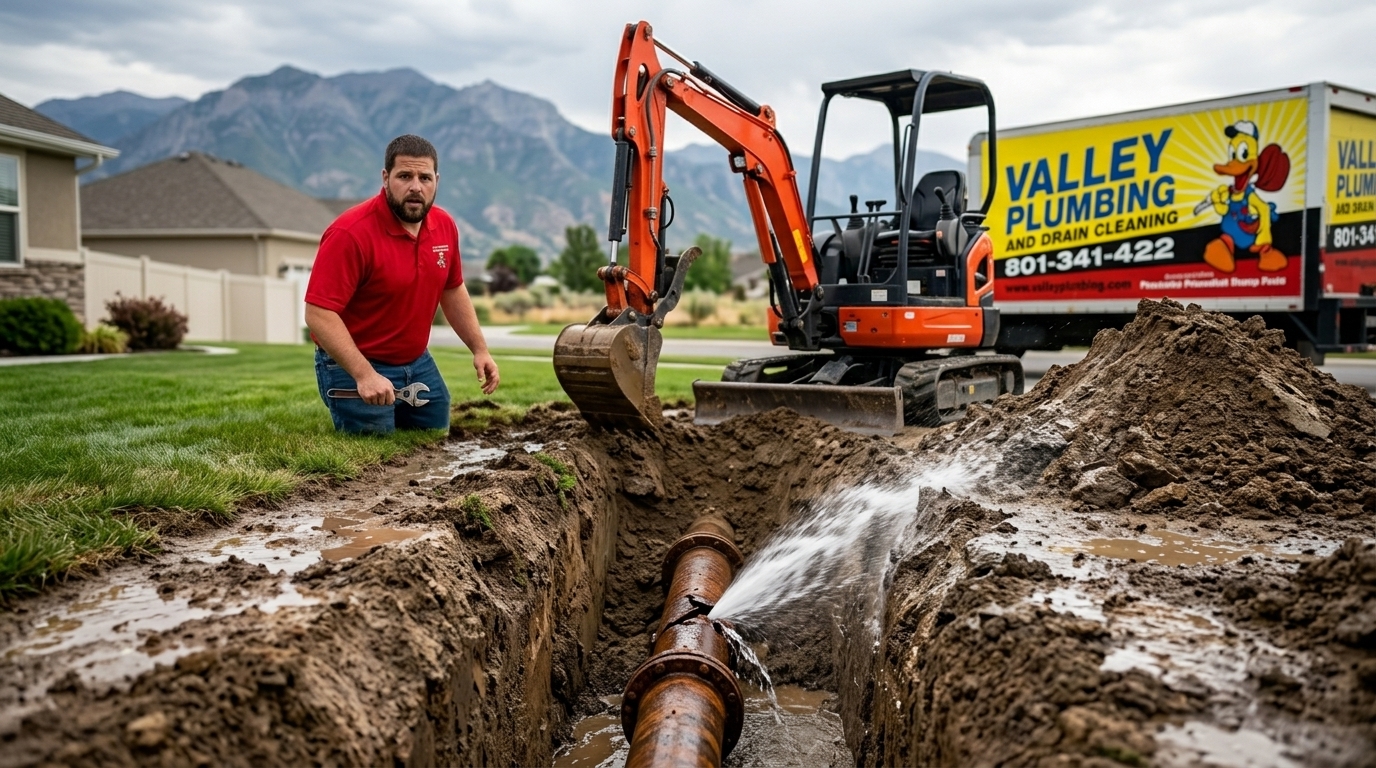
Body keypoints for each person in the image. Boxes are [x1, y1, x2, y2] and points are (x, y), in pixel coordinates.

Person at [305, 134, 499, 434]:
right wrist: (364, 375)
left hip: (417, 362)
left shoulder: (445, 225)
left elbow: (452, 289)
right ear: (386, 178)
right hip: (354, 363)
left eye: (425, 178)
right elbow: (318, 314)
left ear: (436, 181)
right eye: (405, 176)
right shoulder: (350, 233)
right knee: (377, 448)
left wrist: (480, 349)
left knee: (435, 434)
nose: (416, 187)